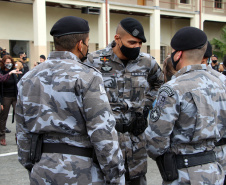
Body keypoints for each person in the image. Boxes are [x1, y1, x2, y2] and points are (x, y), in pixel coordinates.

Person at [16, 16, 125, 184]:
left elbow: (22, 131)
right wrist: (115, 175)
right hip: (81, 171)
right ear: (80, 44)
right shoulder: (88, 76)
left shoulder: (28, 77)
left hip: (41, 169)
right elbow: (102, 132)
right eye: (88, 42)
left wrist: (31, 165)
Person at [85, 17, 164, 185]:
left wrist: (146, 108)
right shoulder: (94, 61)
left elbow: (159, 83)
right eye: (132, 42)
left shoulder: (146, 62)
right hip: (106, 141)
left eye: (140, 43)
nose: (137, 47)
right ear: (117, 39)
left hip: (135, 142)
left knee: (136, 180)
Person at [145, 26, 226, 184]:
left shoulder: (172, 88)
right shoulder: (222, 82)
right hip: (216, 171)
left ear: (178, 53)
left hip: (183, 174)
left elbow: (155, 141)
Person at [0, 55, 22, 146]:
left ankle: (18, 136)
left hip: (15, 96)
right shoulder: (2, 72)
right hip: (6, 96)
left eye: (10, 62)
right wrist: (9, 73)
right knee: (3, 117)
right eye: (7, 62)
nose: (8, 64)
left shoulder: (14, 72)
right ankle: (2, 137)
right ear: (3, 63)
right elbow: (2, 80)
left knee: (19, 117)